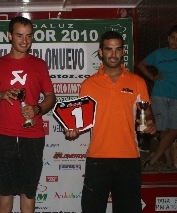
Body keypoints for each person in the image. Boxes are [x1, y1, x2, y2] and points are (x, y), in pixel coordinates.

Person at [65, 31, 157, 213]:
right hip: (98, 159)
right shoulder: (89, 85)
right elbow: (80, 121)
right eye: (108, 49)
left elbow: (147, 115)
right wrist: (73, 129)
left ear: (123, 51)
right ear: (100, 52)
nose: (113, 54)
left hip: (129, 159)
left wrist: (151, 125)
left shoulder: (137, 82)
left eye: (117, 49)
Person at [0, 16, 56, 213]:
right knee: (5, 191)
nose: (25, 41)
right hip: (4, 137)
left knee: (28, 192)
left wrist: (37, 109)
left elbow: (50, 97)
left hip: (32, 137)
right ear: (9, 36)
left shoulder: (39, 64)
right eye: (19, 35)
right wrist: (1, 95)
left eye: (29, 36)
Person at [138, 24, 177, 170]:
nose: (174, 41)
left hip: (176, 96)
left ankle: (154, 158)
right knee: (163, 129)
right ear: (168, 38)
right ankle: (169, 163)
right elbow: (141, 65)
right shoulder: (159, 53)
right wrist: (153, 77)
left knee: (174, 129)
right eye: (172, 38)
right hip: (159, 94)